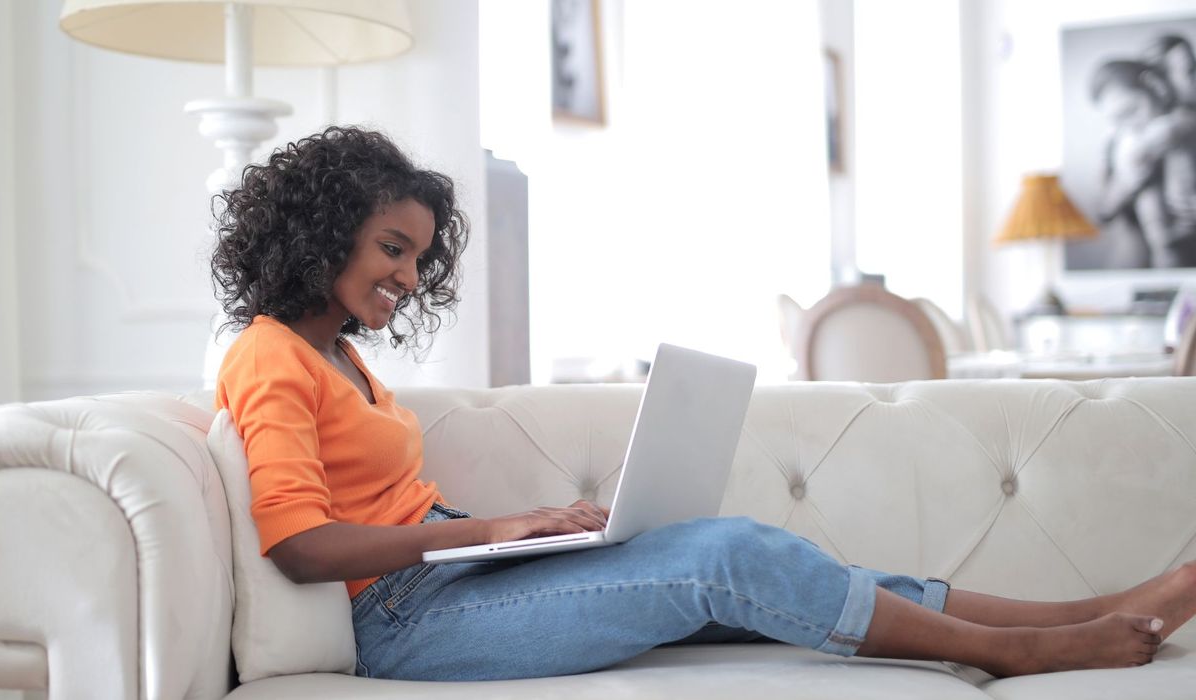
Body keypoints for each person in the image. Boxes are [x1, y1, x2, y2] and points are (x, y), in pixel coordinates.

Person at [211, 125, 1194, 682]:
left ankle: (1092, 606)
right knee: (728, 557)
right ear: (324, 230)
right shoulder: (269, 356)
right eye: (394, 247)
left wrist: (506, 539)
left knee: (758, 553)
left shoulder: (337, 354)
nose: (409, 274)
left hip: (447, 578)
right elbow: (299, 542)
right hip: (403, 623)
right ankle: (1027, 651)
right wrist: (498, 530)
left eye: (419, 255)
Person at [1092, 58, 1196, 267]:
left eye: (1131, 111)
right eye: (1117, 119)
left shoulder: (1183, 123)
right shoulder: (1118, 143)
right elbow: (1102, 211)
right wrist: (1127, 183)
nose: (1129, 125)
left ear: (1154, 86)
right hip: (1144, 259)